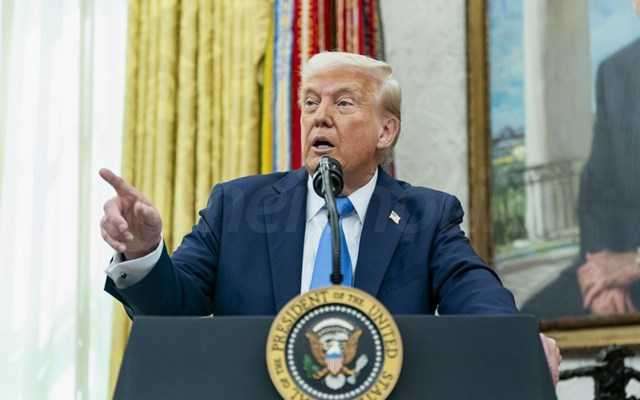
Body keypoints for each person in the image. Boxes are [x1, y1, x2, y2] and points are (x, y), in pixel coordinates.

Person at [100, 52, 561, 383]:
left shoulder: (427, 216)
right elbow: (171, 311)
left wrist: (514, 342)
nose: (320, 117)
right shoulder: (237, 206)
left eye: (343, 103)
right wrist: (143, 251)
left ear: (386, 130)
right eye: (310, 102)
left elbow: (476, 295)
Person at [522, 32, 640, 318]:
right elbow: (596, 192)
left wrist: (634, 264)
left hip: (632, 267)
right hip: (619, 267)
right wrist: (603, 278)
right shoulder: (615, 71)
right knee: (527, 321)